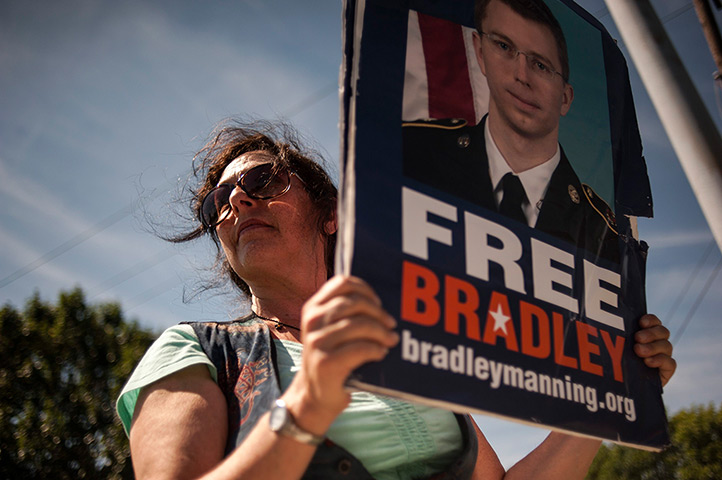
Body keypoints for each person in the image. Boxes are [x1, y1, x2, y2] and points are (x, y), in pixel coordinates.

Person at [116, 119, 676, 479]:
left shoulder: (407, 351)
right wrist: (309, 402)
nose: (236, 201)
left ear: (330, 213)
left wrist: (611, 396)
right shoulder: (197, 351)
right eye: (219, 202)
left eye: (262, 181)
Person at [403, 0, 619, 262]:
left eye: (540, 65)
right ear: (480, 53)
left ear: (565, 98)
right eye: (504, 47)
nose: (521, 75)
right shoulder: (412, 154)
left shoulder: (602, 232)